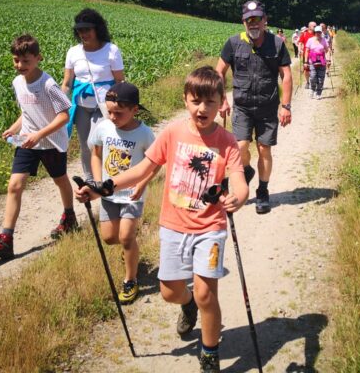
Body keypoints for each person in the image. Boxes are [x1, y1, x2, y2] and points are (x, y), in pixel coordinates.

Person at [76, 66, 248, 373]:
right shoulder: (173, 133)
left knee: (208, 292)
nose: (202, 108)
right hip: (173, 226)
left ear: (222, 102)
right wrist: (105, 187)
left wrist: (239, 196)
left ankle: (209, 353)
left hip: (211, 228)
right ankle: (188, 303)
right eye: (196, 101)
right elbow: (142, 170)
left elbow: (239, 179)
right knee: (170, 291)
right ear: (185, 100)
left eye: (210, 102)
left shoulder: (227, 141)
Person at [0, 34, 75, 259]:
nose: (20, 66)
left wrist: (40, 134)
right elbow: (26, 112)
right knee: (14, 186)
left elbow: (64, 116)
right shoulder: (17, 83)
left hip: (50, 142)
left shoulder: (48, 84)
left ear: (39, 58)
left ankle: (69, 218)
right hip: (28, 142)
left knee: (60, 180)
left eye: (26, 61)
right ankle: (5, 240)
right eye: (16, 60)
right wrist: (13, 128)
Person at [216, 0, 293, 215]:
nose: (253, 24)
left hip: (268, 107)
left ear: (265, 20)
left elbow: (286, 75)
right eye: (249, 20)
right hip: (242, 106)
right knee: (239, 148)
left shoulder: (276, 44)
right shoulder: (233, 43)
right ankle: (247, 170)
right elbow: (219, 71)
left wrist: (286, 105)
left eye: (257, 19)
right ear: (243, 22)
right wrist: (222, 99)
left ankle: (262, 191)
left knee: (264, 149)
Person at [90, 82, 155, 304]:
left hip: (132, 194)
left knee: (126, 236)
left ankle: (130, 280)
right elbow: (96, 154)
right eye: (109, 111)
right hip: (108, 194)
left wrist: (142, 183)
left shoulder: (145, 133)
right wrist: (98, 184)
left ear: (134, 109)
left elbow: (154, 163)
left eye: (118, 112)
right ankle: (130, 252)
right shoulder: (103, 127)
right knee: (110, 238)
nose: (112, 116)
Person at [62, 8, 125, 183]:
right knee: (84, 144)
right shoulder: (73, 52)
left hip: (104, 105)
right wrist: (58, 103)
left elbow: (120, 81)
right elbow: (67, 83)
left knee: (95, 141)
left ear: (97, 29)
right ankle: (90, 179)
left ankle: (105, 178)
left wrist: (120, 106)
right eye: (80, 30)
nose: (83, 34)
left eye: (87, 29)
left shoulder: (111, 50)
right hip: (81, 105)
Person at [305, 25, 330, 100]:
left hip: (322, 60)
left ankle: (318, 93)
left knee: (321, 78)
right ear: (314, 33)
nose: (318, 34)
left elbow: (327, 50)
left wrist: (328, 59)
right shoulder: (310, 40)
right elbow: (307, 50)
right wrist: (306, 62)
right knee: (312, 77)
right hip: (312, 60)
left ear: (321, 32)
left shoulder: (324, 40)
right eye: (316, 32)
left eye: (319, 32)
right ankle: (312, 89)